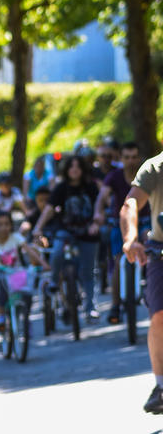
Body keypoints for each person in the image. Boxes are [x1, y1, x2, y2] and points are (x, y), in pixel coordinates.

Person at [120, 149, 163, 413]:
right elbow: (131, 203)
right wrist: (130, 239)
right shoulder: (155, 167)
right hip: (160, 249)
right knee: (159, 316)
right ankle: (161, 386)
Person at [33, 154, 100, 320]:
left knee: (87, 271)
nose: (74, 169)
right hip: (66, 231)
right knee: (56, 252)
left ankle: (90, 307)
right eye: (71, 166)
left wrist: (96, 223)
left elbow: (100, 208)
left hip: (88, 233)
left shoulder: (91, 187)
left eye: (78, 166)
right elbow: (49, 209)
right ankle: (54, 281)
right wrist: (38, 227)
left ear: (83, 169)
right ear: (66, 170)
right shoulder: (61, 188)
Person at [91, 141, 143, 323]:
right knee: (119, 259)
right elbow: (102, 197)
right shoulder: (114, 176)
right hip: (119, 223)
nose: (131, 161)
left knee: (154, 251)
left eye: (134, 157)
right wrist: (98, 213)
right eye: (127, 157)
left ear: (139, 158)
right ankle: (115, 305)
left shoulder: (146, 174)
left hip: (145, 222)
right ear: (121, 158)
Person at [0, 211, 48, 329]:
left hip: (16, 274)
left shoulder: (16, 238)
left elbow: (30, 251)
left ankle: (26, 319)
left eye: (7, 224)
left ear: (11, 225)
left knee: (27, 290)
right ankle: (1, 316)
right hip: (0, 275)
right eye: (0, 224)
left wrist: (44, 264)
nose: (4, 228)